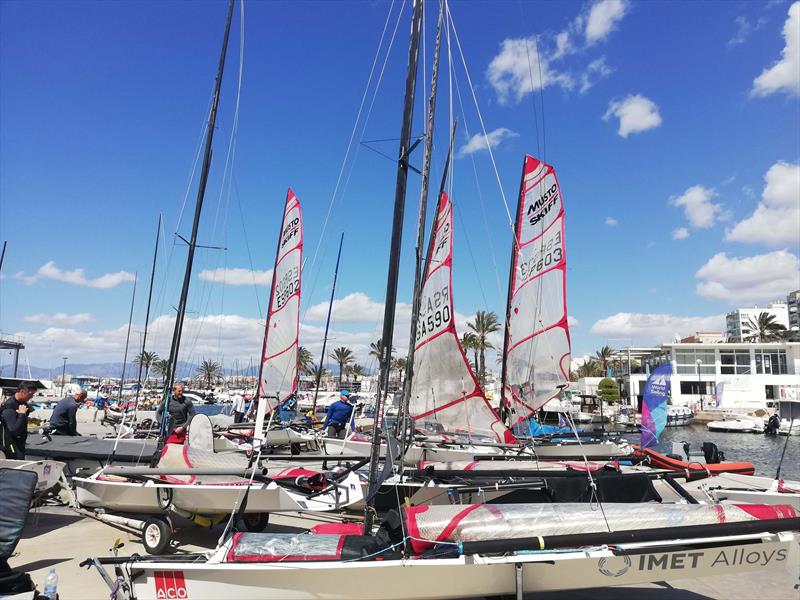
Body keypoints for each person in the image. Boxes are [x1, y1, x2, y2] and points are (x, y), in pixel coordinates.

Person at [0, 382, 36, 459]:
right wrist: (22, 415)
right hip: (11, 445)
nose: (31, 397)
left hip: (20, 443)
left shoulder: (23, 403)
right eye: (30, 394)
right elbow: (14, 431)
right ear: (22, 392)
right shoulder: (9, 406)